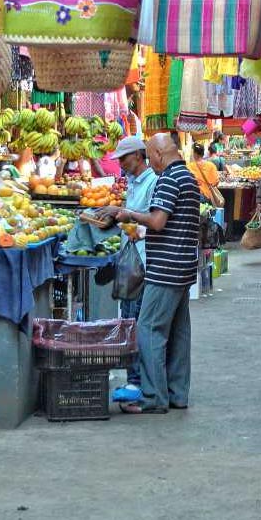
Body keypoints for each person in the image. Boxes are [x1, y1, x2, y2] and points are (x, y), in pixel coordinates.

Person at [114, 133, 201, 414]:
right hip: (183, 267)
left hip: (165, 267)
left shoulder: (169, 179)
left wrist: (129, 214)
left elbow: (157, 221)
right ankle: (177, 394)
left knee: (148, 328)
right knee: (177, 333)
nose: (150, 163)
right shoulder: (187, 176)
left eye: (150, 157)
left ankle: (153, 397)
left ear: (160, 154)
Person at [97, 136, 158, 404]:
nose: (120, 164)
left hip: (143, 262)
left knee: (136, 324)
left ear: (137, 155)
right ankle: (136, 380)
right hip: (130, 260)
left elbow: (155, 224)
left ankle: (138, 384)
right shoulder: (134, 183)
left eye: (123, 158)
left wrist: (127, 217)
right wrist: (115, 216)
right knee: (129, 322)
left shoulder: (153, 183)